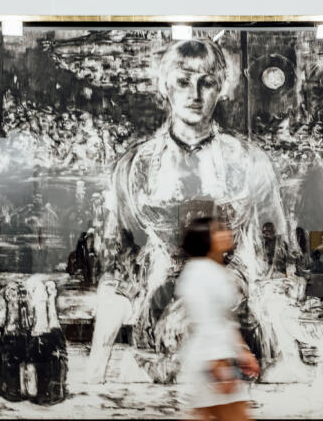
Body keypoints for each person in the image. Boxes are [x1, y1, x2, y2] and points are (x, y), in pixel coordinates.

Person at [87, 37, 291, 383]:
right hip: (156, 341)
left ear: (221, 88)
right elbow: (120, 265)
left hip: (238, 334)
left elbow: (272, 257)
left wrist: (206, 301)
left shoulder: (247, 161)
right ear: (164, 85)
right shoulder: (136, 166)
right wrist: (96, 368)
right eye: (183, 81)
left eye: (206, 82)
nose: (194, 94)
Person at [118, 217, 275, 421]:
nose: (226, 233)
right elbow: (206, 322)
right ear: (206, 239)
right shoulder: (201, 273)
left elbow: (224, 319)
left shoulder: (209, 271)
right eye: (219, 230)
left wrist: (243, 352)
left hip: (212, 360)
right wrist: (223, 365)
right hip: (212, 363)